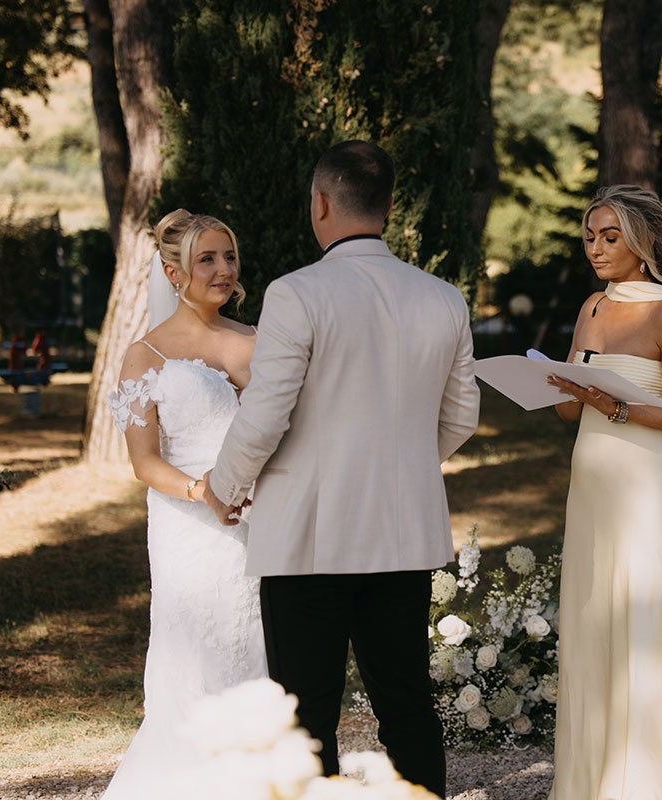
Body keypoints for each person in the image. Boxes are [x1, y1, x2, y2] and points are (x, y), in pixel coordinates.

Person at [201, 140, 480, 797]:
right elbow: (461, 415)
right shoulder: (443, 298)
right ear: (387, 207)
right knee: (408, 705)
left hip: (308, 540)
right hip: (403, 535)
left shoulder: (296, 294)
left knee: (304, 719)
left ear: (321, 204)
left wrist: (223, 486)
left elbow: (265, 415)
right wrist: (401, 463)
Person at [545, 185, 662, 799]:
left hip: (645, 483)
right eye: (590, 236)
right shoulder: (591, 307)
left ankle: (644, 782)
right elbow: (569, 411)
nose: (596, 248)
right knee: (592, 616)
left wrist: (617, 407)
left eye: (610, 237)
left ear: (641, 242)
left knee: (641, 615)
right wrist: (558, 386)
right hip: (591, 484)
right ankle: (590, 781)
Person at [103, 210, 266, 798]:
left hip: (261, 524)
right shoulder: (144, 356)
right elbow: (144, 462)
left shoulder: (256, 339)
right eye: (207, 259)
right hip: (190, 528)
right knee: (197, 658)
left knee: (261, 653)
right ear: (173, 272)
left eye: (228, 256)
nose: (224, 269)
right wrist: (204, 491)